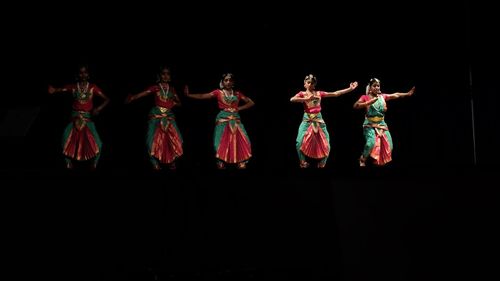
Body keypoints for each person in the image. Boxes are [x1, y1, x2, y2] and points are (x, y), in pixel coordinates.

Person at [183, 73, 254, 169]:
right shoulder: (218, 92)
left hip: (235, 119)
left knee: (241, 139)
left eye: (230, 80)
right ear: (222, 82)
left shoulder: (237, 93)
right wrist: (189, 95)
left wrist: (239, 108)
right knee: (221, 141)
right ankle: (221, 161)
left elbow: (251, 103)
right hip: (223, 119)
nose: (228, 82)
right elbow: (202, 96)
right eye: (226, 80)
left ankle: (241, 161)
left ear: (233, 82)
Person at [48, 65, 110, 170]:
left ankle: (94, 163)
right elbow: (62, 89)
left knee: (99, 143)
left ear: (88, 74)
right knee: (64, 139)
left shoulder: (92, 87)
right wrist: (54, 90)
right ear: (77, 75)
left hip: (87, 118)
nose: (83, 74)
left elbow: (107, 99)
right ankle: (68, 162)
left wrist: (98, 109)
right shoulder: (73, 87)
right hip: (74, 118)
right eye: (81, 73)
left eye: (85, 72)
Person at [290, 74, 358, 168]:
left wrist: (350, 89)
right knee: (299, 142)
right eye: (308, 82)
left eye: (312, 83)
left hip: (319, 120)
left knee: (327, 144)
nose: (310, 84)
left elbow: (335, 94)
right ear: (305, 84)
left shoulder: (319, 93)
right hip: (307, 120)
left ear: (314, 85)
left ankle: (322, 163)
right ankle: (302, 162)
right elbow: (292, 99)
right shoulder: (302, 94)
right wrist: (306, 99)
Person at [125, 66, 183, 170]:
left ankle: (172, 161)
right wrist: (133, 97)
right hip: (156, 116)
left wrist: (171, 103)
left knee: (176, 139)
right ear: (159, 76)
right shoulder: (155, 87)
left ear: (170, 77)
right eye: (163, 74)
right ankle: (153, 161)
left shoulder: (172, 90)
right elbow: (144, 93)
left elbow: (179, 103)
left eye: (168, 74)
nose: (165, 76)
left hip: (168, 117)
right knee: (150, 140)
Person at [353, 78, 415, 166]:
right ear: (370, 88)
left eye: (378, 86)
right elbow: (355, 106)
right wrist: (368, 103)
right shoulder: (365, 97)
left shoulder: (383, 97)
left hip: (382, 124)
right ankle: (363, 159)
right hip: (369, 124)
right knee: (369, 144)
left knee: (390, 147)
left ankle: (377, 161)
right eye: (374, 86)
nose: (377, 87)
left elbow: (396, 95)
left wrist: (407, 94)